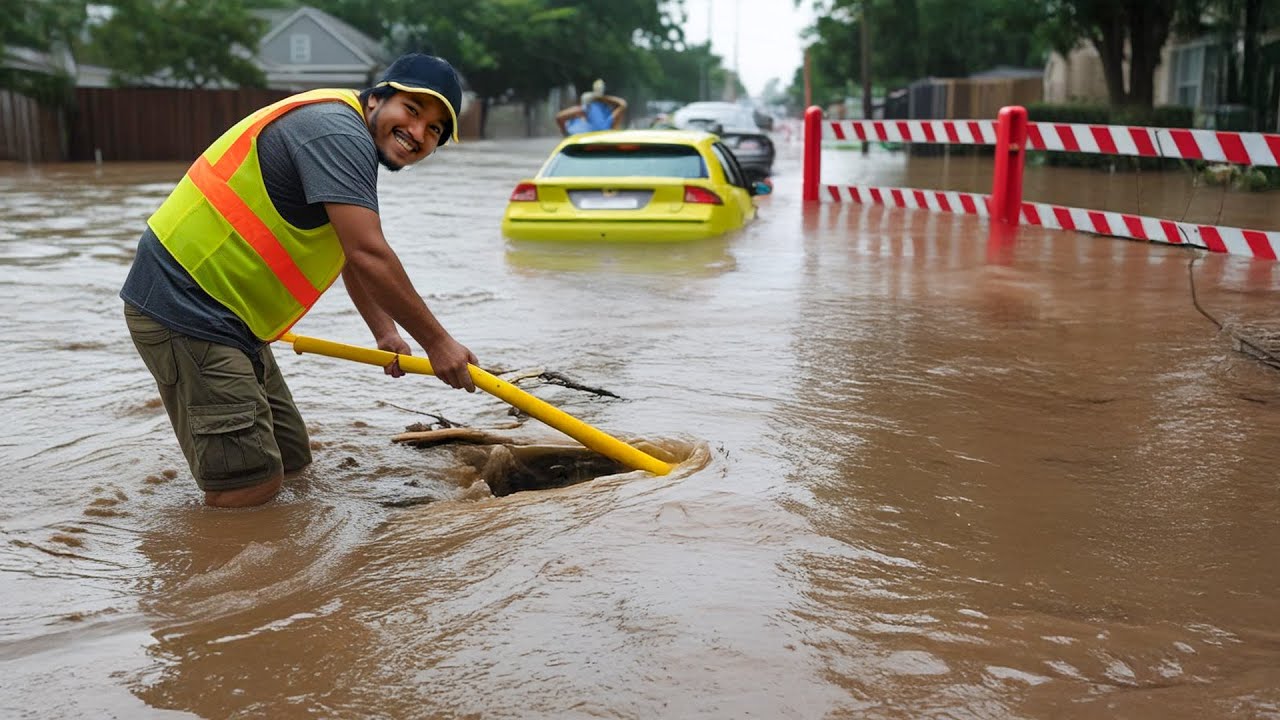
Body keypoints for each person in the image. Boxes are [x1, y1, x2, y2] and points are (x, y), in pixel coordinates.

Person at [121, 53, 478, 509]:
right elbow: (370, 254)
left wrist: (384, 331)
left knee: (292, 462)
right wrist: (438, 343)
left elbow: (348, 249)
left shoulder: (346, 138)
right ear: (379, 97)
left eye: (435, 131)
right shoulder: (337, 132)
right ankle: (217, 575)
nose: (418, 133)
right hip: (187, 306)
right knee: (249, 484)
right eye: (412, 110)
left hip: (231, 317)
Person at [555, 79, 627, 135]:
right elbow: (559, 117)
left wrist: (600, 97)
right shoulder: (573, 125)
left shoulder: (604, 127)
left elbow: (622, 104)